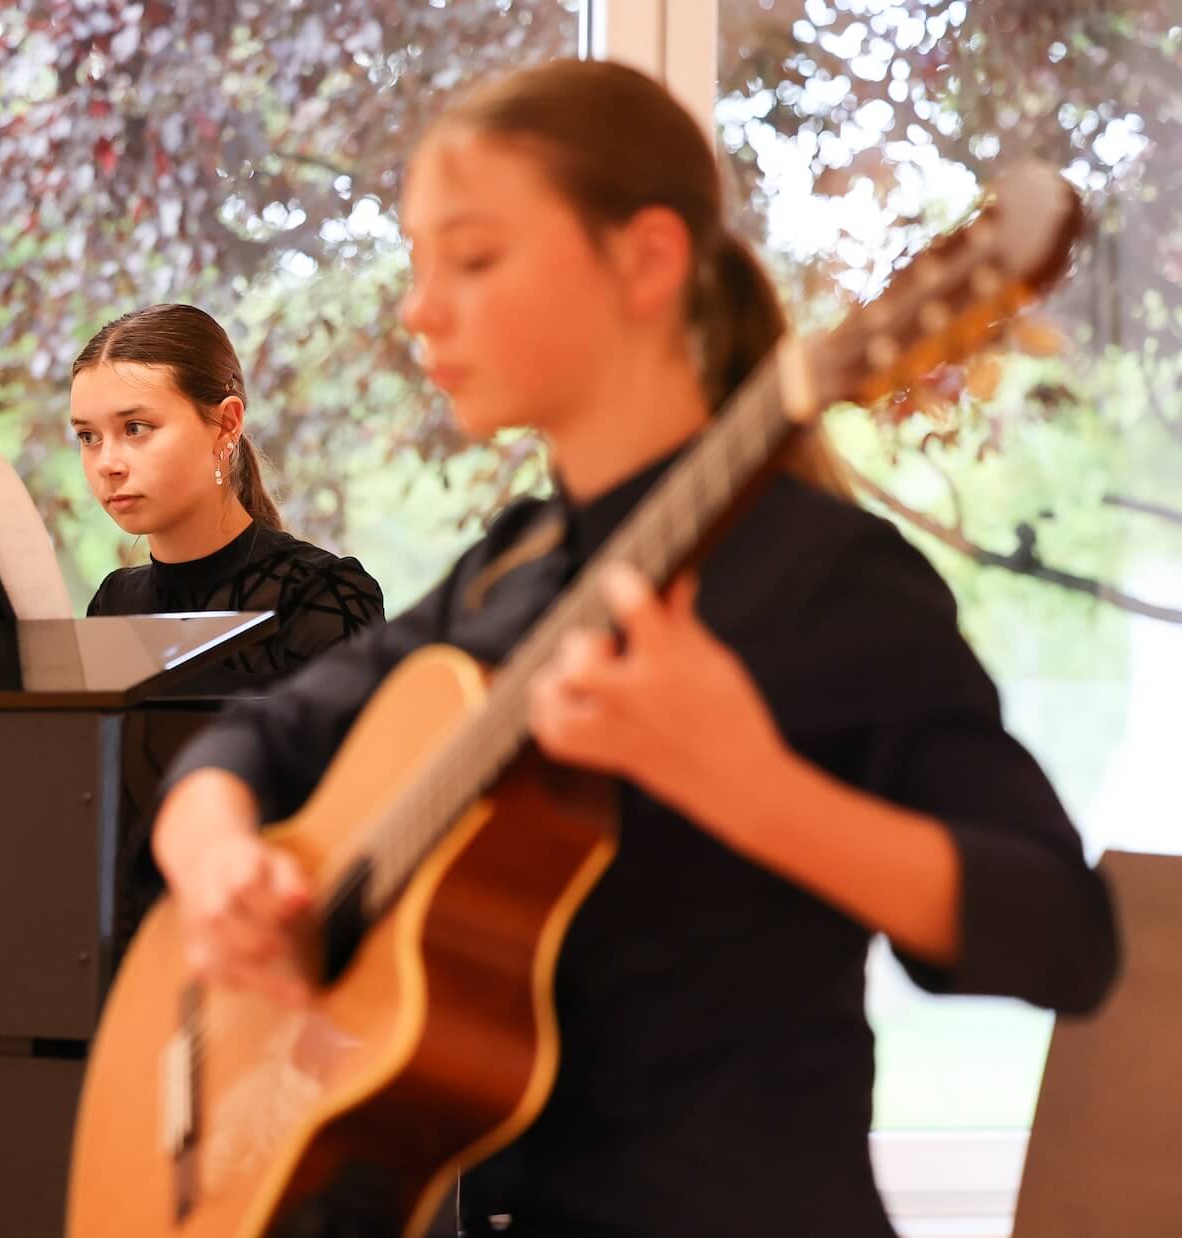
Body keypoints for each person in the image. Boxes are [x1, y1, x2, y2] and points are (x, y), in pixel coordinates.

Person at [146, 61, 1118, 1237]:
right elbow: (259, 734)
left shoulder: (826, 579)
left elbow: (1065, 936)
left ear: (647, 260)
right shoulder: (511, 567)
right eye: (417, 261)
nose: (420, 310)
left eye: (474, 258)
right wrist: (215, 857)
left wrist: (750, 784)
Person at [71, 303, 383, 693]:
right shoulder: (112, 605)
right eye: (88, 436)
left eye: (135, 428)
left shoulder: (323, 596)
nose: (106, 464)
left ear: (226, 424)